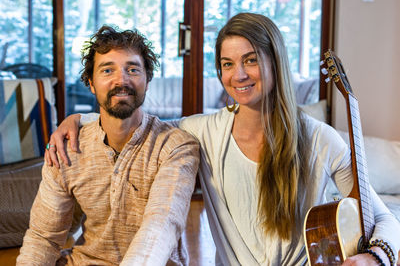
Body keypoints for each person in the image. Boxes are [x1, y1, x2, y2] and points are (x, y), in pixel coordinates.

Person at [46, 13, 400, 266]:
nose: (239, 75)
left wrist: (373, 258)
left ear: (275, 63)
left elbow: (385, 220)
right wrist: (80, 118)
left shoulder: (321, 139)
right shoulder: (202, 131)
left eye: (250, 60)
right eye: (227, 64)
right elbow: (137, 125)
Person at [17, 25, 200, 266]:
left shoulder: (176, 146)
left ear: (147, 79)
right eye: (107, 70)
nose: (121, 80)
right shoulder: (68, 146)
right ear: (91, 83)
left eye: (133, 69)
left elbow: (161, 226)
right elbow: (44, 237)